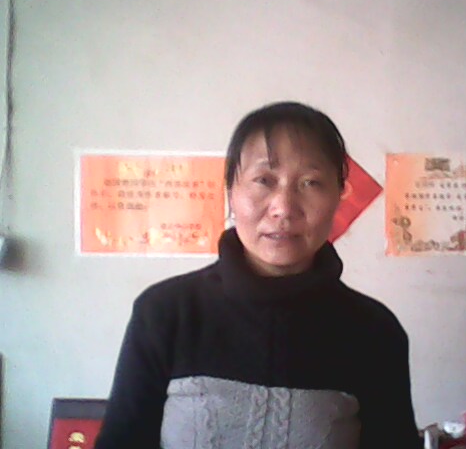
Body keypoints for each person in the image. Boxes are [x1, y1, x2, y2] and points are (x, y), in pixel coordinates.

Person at [95, 102, 421, 449]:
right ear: (231, 193)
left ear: (338, 197)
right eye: (264, 180)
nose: (284, 208)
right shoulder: (165, 312)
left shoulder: (374, 332)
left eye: (310, 183)